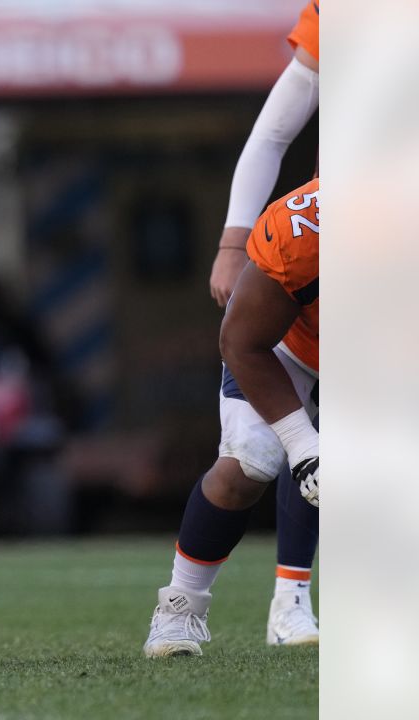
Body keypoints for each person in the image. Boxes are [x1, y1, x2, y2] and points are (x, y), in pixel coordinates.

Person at [143, 178, 320, 657]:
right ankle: (179, 611)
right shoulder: (300, 229)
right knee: (250, 463)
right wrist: (303, 445)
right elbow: (241, 342)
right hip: (289, 349)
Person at [207, 0, 321, 645]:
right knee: (284, 444)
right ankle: (290, 603)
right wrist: (233, 243)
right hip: (344, 239)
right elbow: (273, 132)